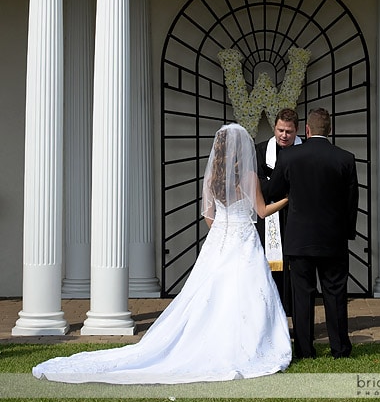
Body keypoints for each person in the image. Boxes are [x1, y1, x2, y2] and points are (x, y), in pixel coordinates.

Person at [33, 124, 291, 384]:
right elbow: (262, 212)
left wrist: (222, 232)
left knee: (209, 294)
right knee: (243, 293)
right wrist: (287, 199)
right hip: (243, 240)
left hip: (219, 241)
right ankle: (246, 342)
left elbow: (209, 217)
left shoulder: (213, 176)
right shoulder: (249, 176)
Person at [268, 107, 358, 360]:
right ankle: (340, 348)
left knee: (302, 296)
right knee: (335, 293)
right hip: (333, 239)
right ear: (328, 131)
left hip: (299, 240)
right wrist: (347, 233)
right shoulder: (345, 158)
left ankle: (305, 349)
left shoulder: (290, 157)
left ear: (306, 130)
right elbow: (352, 202)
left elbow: (274, 191)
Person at [255, 107, 300, 312]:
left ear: (297, 131)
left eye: (289, 131)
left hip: (297, 215)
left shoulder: (303, 150)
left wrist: (275, 186)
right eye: (280, 130)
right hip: (271, 214)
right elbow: (261, 187)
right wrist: (286, 190)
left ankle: (292, 307)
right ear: (274, 128)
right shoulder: (261, 151)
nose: (284, 135)